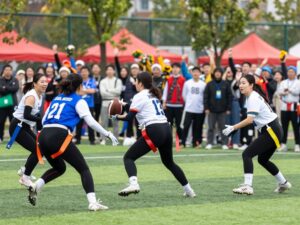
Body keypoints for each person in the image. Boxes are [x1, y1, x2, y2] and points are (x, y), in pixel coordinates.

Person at [27, 73, 118, 211]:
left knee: (60, 168)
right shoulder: (79, 100)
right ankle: (93, 203)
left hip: (43, 135)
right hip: (58, 135)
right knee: (83, 169)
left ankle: (36, 186)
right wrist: (107, 133)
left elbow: (44, 120)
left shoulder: (57, 98)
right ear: (80, 86)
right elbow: (91, 122)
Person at [115, 72, 196, 198]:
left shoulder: (139, 95)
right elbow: (139, 108)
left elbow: (130, 117)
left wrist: (115, 116)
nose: (134, 83)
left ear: (140, 83)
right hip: (166, 128)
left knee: (128, 158)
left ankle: (134, 184)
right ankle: (189, 190)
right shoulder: (152, 94)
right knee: (169, 162)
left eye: (136, 81)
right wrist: (125, 105)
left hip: (154, 129)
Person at [222, 74, 291, 195]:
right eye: (240, 83)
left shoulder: (253, 97)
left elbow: (249, 120)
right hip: (272, 129)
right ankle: (283, 183)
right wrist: (236, 128)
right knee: (263, 159)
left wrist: (234, 127)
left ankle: (248, 186)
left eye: (244, 83)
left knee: (247, 154)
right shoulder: (251, 96)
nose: (241, 85)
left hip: (271, 130)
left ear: (251, 85)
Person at [9, 73, 47, 187]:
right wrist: (39, 121)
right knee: (38, 150)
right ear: (35, 84)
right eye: (42, 82)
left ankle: (24, 170)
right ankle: (25, 177)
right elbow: (26, 115)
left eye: (45, 81)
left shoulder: (39, 95)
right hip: (18, 127)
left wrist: (40, 126)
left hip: (24, 126)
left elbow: (34, 116)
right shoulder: (32, 96)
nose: (45, 84)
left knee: (41, 148)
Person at [204, 68, 232, 150]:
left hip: (223, 110)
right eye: (216, 72)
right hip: (211, 110)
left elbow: (229, 97)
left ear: (221, 74)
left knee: (223, 127)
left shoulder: (225, 84)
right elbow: (205, 97)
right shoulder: (209, 84)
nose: (217, 74)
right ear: (214, 74)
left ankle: (224, 143)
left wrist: (228, 108)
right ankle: (209, 143)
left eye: (219, 72)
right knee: (210, 127)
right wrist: (206, 108)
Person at [181, 66, 206, 148]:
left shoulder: (203, 84)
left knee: (197, 127)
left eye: (197, 72)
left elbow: (204, 97)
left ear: (200, 73)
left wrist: (202, 106)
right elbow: (184, 95)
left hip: (199, 109)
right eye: (194, 72)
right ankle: (183, 142)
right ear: (191, 73)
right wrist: (188, 102)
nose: (195, 73)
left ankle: (196, 143)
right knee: (186, 126)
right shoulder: (187, 83)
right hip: (189, 109)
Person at [277, 66, 300, 152]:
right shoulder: (283, 82)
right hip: (284, 106)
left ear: (295, 73)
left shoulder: (298, 82)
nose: (290, 73)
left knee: (296, 126)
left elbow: (297, 92)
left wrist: (289, 90)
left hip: (294, 106)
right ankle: (283, 143)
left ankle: (297, 144)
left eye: (292, 72)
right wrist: (285, 92)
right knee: (284, 126)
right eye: (289, 72)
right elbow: (279, 92)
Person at [0, 64, 19, 143]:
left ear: (11, 71)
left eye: (9, 70)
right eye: (6, 70)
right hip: (2, 105)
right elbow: (1, 90)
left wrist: (5, 87)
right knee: (1, 121)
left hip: (13, 104)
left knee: (14, 121)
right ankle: (0, 137)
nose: (8, 71)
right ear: (3, 71)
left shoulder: (15, 80)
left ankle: (14, 138)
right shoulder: (0, 80)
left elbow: (15, 89)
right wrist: (9, 88)